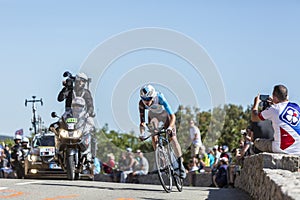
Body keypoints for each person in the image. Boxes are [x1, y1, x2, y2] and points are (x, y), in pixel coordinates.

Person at [138, 84, 186, 179]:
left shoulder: (159, 98)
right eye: (144, 99)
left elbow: (173, 116)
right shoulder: (141, 104)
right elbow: (142, 123)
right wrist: (142, 134)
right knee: (153, 135)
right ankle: (161, 159)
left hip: (165, 116)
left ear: (153, 96)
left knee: (172, 138)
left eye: (148, 99)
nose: (146, 102)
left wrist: (170, 127)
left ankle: (181, 165)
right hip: (153, 117)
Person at [251, 84, 300, 156]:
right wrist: (275, 102)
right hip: (298, 149)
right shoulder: (296, 107)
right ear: (286, 96)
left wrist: (256, 103)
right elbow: (283, 106)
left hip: (282, 148)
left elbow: (254, 118)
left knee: (257, 142)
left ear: (274, 97)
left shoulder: (274, 109)